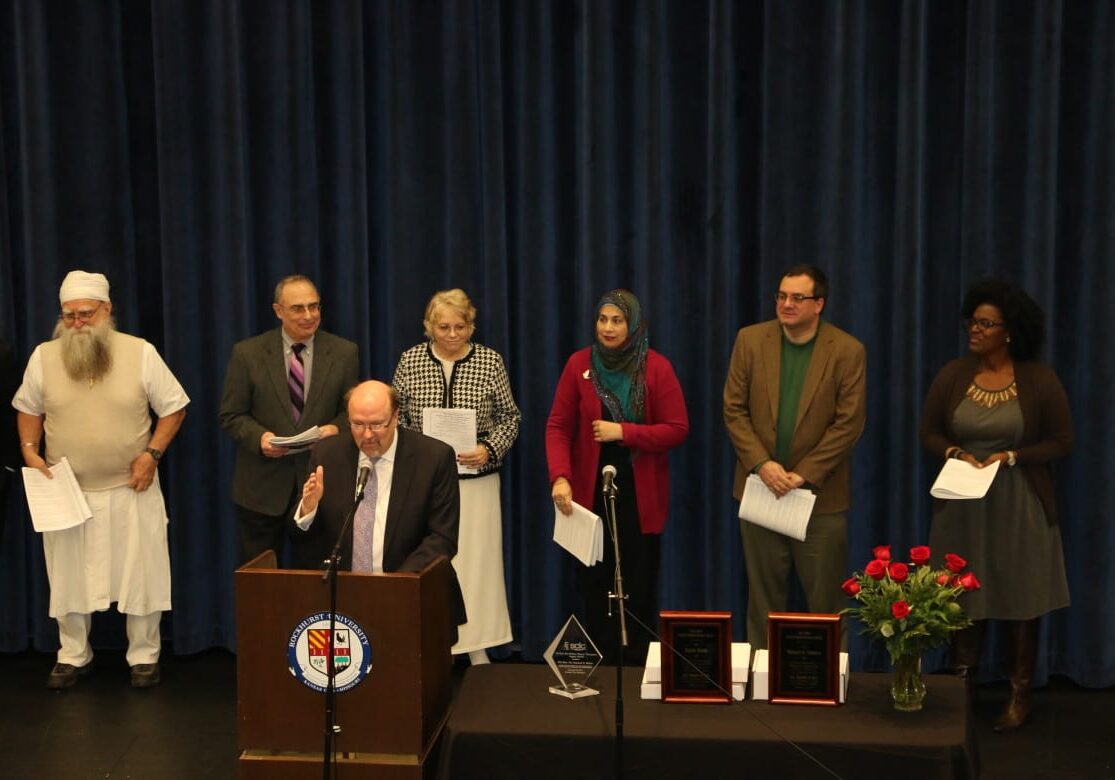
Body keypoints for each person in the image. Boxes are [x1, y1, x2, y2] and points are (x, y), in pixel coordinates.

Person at [12, 271, 189, 689]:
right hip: (68, 490)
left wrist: (152, 454)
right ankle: (73, 655)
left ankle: (144, 656)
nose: (77, 324)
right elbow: (27, 406)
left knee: (141, 573)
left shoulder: (140, 352)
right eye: (69, 315)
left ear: (107, 310)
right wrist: (28, 448)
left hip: (133, 486)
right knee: (68, 576)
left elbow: (174, 407)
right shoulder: (44, 356)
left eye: (85, 314)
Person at [920, 278, 1071, 733]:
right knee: (963, 594)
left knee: (1020, 596)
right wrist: (954, 452)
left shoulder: (1039, 379)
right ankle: (962, 687)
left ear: (1010, 331)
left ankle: (1019, 693)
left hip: (1020, 501)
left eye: (986, 324)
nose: (975, 330)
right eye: (973, 321)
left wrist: (1011, 456)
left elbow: (1062, 441)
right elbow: (929, 432)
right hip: (964, 504)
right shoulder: (953, 375)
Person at [722, 264, 866, 649]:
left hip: (820, 497)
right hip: (760, 488)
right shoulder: (750, 341)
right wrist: (762, 464)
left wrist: (802, 474)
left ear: (818, 304)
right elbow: (733, 410)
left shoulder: (848, 351)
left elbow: (849, 424)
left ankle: (826, 683)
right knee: (763, 599)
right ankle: (764, 683)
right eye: (781, 296)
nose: (786, 304)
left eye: (797, 298)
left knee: (826, 602)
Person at [546, 290, 689, 664]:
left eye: (617, 321)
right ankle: (601, 668)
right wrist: (561, 477)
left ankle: (635, 665)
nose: (608, 328)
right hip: (589, 493)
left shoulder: (656, 367)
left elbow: (677, 429)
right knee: (593, 583)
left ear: (633, 324)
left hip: (640, 496)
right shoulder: (579, 364)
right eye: (602, 320)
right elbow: (558, 426)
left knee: (637, 582)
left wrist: (624, 432)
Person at [392, 289, 520, 665]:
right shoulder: (411, 360)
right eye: (443, 327)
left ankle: (478, 643)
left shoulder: (489, 361)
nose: (451, 335)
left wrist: (489, 449)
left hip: (477, 482)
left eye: (460, 327)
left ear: (471, 325)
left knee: (478, 563)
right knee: (433, 563)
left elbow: (510, 418)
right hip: (424, 485)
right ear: (429, 327)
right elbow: (395, 417)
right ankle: (433, 643)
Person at [292, 380, 465, 632]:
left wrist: (393, 587)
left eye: (376, 424)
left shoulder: (434, 458)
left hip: (412, 597)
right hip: (340, 602)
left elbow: (442, 538)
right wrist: (308, 508)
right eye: (358, 424)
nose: (367, 435)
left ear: (396, 417)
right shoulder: (327, 454)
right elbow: (300, 537)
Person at [219, 275, 358, 567]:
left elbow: (352, 413)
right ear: (278, 310)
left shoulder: (345, 353)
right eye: (298, 308)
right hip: (260, 490)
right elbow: (231, 415)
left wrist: (335, 428)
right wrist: (260, 439)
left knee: (317, 581)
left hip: (320, 486)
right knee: (259, 584)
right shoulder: (247, 354)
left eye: (314, 307)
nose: (308, 316)